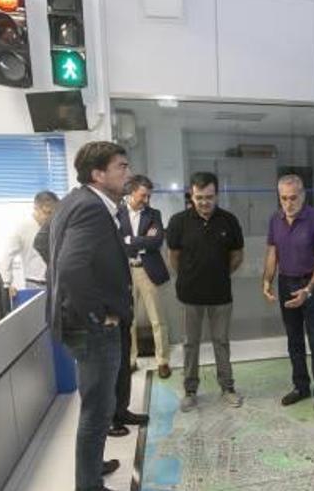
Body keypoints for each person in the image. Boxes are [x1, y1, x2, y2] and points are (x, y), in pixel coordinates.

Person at [41, 141, 133, 491]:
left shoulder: (74, 201)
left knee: (95, 404)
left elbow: (44, 243)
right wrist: (98, 313)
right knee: (98, 410)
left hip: (73, 320)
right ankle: (89, 486)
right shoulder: (92, 208)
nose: (127, 172)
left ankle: (90, 470)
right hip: (90, 327)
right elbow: (71, 265)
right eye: (121, 167)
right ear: (98, 174)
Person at [167, 172, 244, 412]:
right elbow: (174, 257)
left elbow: (237, 255)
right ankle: (190, 391)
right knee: (190, 343)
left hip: (221, 295)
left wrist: (220, 275)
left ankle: (227, 387)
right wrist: (190, 277)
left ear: (217, 195)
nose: (204, 202)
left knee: (221, 342)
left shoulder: (229, 221)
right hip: (189, 295)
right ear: (191, 195)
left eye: (209, 197)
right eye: (199, 197)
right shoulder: (178, 222)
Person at [262, 174, 314, 417]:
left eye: (293, 198)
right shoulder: (275, 219)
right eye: (283, 198)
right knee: (294, 341)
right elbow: (273, 253)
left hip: (310, 284)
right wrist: (266, 281)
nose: (288, 203)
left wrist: (309, 289)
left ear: (302, 195)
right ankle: (301, 387)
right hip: (285, 283)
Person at [117, 175, 172, 379]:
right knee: (128, 320)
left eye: (149, 196)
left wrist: (130, 239)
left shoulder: (154, 214)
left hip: (147, 271)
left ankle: (163, 361)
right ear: (132, 192)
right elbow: (117, 242)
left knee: (158, 319)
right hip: (125, 272)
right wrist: (140, 240)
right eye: (143, 195)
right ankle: (131, 360)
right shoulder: (117, 213)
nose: (147, 200)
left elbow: (156, 241)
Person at [0, 191, 59, 296]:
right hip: (35, 284)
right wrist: (6, 284)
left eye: (54, 213)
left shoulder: (56, 225)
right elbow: (7, 256)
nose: (51, 218)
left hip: (57, 283)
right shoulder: (23, 227)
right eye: (47, 213)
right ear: (36, 208)